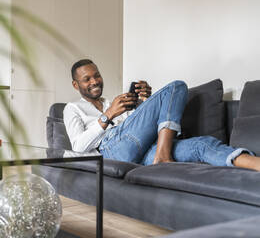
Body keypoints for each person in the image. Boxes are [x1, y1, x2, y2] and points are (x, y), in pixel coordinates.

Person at [63, 59, 260, 171]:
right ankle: (164, 155)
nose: (94, 81)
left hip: (142, 153)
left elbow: (138, 130)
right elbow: (78, 147)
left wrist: (146, 102)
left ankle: (256, 164)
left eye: (96, 75)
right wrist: (107, 116)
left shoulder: (113, 102)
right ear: (76, 84)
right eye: (87, 79)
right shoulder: (72, 108)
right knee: (176, 87)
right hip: (109, 152)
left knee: (202, 144)